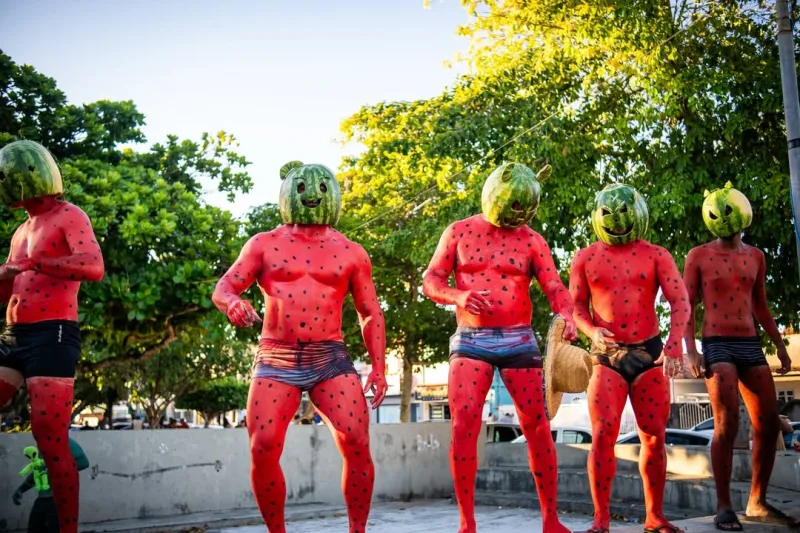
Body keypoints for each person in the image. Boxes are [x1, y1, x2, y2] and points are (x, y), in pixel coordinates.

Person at [212, 161, 387, 533]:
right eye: (304, 188)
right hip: (276, 355)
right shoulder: (263, 243)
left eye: (322, 189)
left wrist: (380, 367)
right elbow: (224, 287)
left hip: (330, 357)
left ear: (334, 194)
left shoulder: (352, 252)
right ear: (290, 192)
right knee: (263, 446)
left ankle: (358, 530)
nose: (312, 196)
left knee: (357, 441)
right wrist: (233, 304)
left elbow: (370, 312)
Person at [422, 162, 576, 533]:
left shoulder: (533, 240)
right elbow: (431, 280)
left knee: (538, 427)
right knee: (463, 425)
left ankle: (550, 520)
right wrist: (458, 295)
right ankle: (466, 522)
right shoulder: (458, 231)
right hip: (471, 340)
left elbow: (554, 286)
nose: (516, 217)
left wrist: (568, 312)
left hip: (519, 338)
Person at [569, 183, 689, 533]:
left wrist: (674, 345)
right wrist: (592, 331)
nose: (617, 223)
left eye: (624, 215)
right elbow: (575, 307)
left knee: (653, 437)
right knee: (602, 434)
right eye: (609, 216)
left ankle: (655, 516)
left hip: (649, 354)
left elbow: (680, 301)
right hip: (606, 356)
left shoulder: (656, 254)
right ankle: (600, 519)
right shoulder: (584, 257)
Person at [0, 140, 104, 533]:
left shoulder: (69, 215)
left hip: (53, 332)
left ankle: (67, 528)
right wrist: (5, 275)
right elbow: (8, 289)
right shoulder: (19, 230)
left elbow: (93, 266)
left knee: (48, 433)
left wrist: (38, 262)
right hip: (13, 334)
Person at [683, 182, 799, 530]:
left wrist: (778, 343)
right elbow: (687, 307)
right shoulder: (698, 255)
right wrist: (691, 350)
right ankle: (723, 505)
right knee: (727, 422)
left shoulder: (756, 256)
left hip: (750, 342)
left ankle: (757, 501)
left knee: (766, 421)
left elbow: (761, 306)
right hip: (717, 342)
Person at [12, 439, 90, 533]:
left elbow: (84, 463)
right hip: (42, 500)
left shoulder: (64, 441)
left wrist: (55, 469)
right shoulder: (42, 444)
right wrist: (22, 489)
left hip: (58, 500)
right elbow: (38, 471)